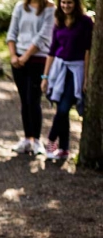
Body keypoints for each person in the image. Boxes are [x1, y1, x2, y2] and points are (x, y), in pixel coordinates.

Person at [41, 0, 93, 160]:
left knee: (63, 108)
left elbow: (88, 51)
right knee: (60, 110)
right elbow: (52, 50)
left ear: (76, 4)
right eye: (63, 2)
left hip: (76, 70)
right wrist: (45, 76)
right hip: (59, 69)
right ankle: (64, 149)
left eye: (69, 2)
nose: (66, 6)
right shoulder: (59, 20)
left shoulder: (85, 22)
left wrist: (85, 79)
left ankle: (50, 140)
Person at [6, 0, 55, 155]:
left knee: (33, 99)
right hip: (18, 60)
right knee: (24, 100)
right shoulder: (21, 6)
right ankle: (27, 138)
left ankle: (37, 140)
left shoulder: (50, 9)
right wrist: (13, 55)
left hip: (38, 59)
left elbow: (43, 36)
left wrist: (26, 56)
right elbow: (12, 32)